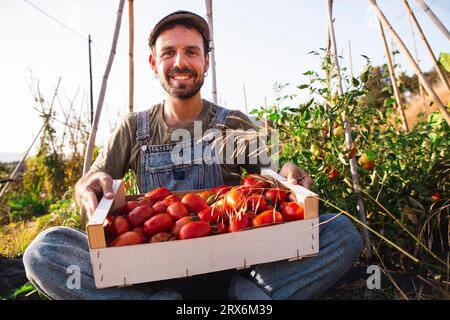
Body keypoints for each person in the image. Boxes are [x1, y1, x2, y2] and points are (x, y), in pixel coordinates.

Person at [23, 10, 362, 300]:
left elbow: (272, 169)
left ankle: (242, 296)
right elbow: (90, 182)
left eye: (191, 52)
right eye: (168, 53)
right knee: (45, 250)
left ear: (206, 61)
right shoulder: (133, 128)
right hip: (149, 272)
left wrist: (288, 170)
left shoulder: (231, 122)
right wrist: (88, 186)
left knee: (342, 232)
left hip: (235, 266)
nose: (180, 62)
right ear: (154, 63)